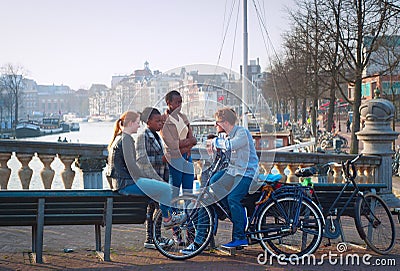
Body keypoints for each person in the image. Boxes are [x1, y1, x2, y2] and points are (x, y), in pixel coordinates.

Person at [181, 107, 259, 254]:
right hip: (232, 172)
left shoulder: (242, 133)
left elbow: (230, 146)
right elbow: (218, 156)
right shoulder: (226, 136)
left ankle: (239, 236)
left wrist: (215, 142)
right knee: (210, 190)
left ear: (225, 122)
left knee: (233, 198)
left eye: (217, 123)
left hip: (246, 174)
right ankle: (201, 239)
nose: (215, 126)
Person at [106, 110, 186, 230]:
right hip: (126, 184)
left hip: (120, 183)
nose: (139, 125)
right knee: (165, 189)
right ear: (131, 123)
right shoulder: (126, 139)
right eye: (137, 122)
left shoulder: (119, 138)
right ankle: (168, 219)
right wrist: (145, 178)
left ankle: (155, 236)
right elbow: (132, 165)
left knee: (158, 194)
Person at [136, 107, 169, 249]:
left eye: (161, 121)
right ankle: (153, 238)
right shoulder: (142, 137)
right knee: (158, 208)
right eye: (157, 121)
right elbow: (141, 159)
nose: (160, 124)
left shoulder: (155, 135)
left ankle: (152, 238)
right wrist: (162, 158)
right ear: (148, 121)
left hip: (158, 177)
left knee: (154, 209)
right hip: (150, 178)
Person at [161, 90, 197, 199]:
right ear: (169, 103)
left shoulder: (183, 117)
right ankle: (172, 214)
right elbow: (171, 143)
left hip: (187, 157)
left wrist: (184, 146)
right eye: (177, 102)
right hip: (174, 158)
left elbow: (193, 139)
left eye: (181, 102)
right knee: (174, 189)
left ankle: (188, 214)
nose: (179, 105)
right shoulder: (163, 120)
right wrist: (187, 144)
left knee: (188, 189)